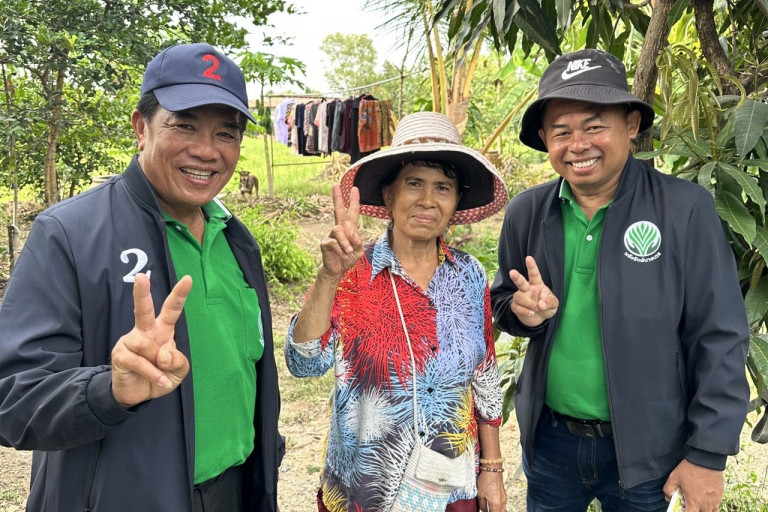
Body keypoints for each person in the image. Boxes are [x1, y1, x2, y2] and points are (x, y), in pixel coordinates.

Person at [0, 43, 283, 512]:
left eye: (226, 133)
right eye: (184, 125)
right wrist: (109, 389)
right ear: (141, 127)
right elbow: (12, 397)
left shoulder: (234, 238)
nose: (206, 151)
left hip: (236, 491)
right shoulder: (70, 234)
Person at [489, 49, 750, 512]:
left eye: (594, 127)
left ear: (631, 124)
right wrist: (523, 312)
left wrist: (707, 456)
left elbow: (720, 335)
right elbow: (504, 302)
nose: (578, 144)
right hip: (551, 444)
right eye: (561, 131)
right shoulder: (527, 212)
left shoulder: (684, 209)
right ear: (545, 139)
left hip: (651, 452)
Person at [284, 111, 509, 512]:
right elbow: (304, 364)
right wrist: (328, 277)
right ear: (388, 195)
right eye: (414, 183)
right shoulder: (351, 271)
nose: (428, 200)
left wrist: (492, 468)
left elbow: (485, 374)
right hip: (367, 489)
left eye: (443, 187)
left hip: (452, 489)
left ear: (456, 201)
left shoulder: (469, 273)